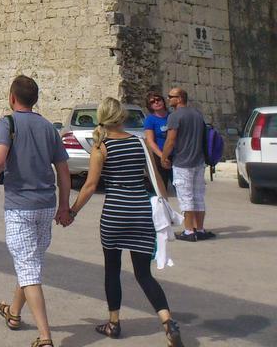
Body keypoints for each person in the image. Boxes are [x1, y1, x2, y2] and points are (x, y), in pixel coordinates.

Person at [68, 97, 183, 345]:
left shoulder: (102, 147)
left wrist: (72, 211)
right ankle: (167, 322)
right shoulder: (139, 143)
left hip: (114, 215)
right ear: (121, 117)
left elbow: (89, 186)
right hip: (141, 212)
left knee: (112, 270)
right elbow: (155, 179)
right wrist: (165, 206)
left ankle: (114, 323)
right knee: (144, 274)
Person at [0, 75, 70, 347]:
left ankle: (45, 337)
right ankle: (14, 313)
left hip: (20, 206)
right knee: (30, 262)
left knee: (29, 268)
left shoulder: (6, 123)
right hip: (46, 205)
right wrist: (65, 205)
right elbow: (64, 172)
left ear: (11, 98)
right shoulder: (48, 127)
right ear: (35, 99)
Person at [161, 87, 214, 241]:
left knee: (186, 198)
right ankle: (201, 229)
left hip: (182, 162)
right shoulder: (197, 114)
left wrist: (164, 157)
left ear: (179, 99)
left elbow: (171, 140)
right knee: (198, 197)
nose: (168, 99)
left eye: (171, 96)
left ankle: (189, 231)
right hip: (198, 161)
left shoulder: (175, 116)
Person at [143, 91, 173, 190]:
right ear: (150, 106)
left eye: (158, 99)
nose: (156, 102)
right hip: (159, 156)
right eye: (152, 102)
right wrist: (162, 156)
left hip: (175, 155)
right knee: (161, 187)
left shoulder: (172, 116)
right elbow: (150, 141)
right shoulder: (150, 120)